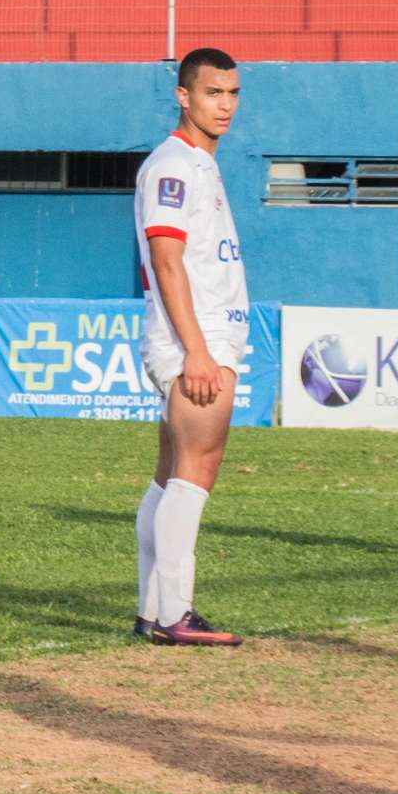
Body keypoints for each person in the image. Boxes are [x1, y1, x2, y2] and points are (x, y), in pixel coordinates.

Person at [131, 50, 249, 647]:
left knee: (169, 476)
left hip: (199, 337)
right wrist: (197, 352)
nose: (224, 105)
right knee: (196, 473)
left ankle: (154, 609)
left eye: (231, 93)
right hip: (193, 343)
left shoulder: (201, 164)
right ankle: (175, 613)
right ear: (184, 96)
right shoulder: (172, 165)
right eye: (212, 93)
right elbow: (167, 259)